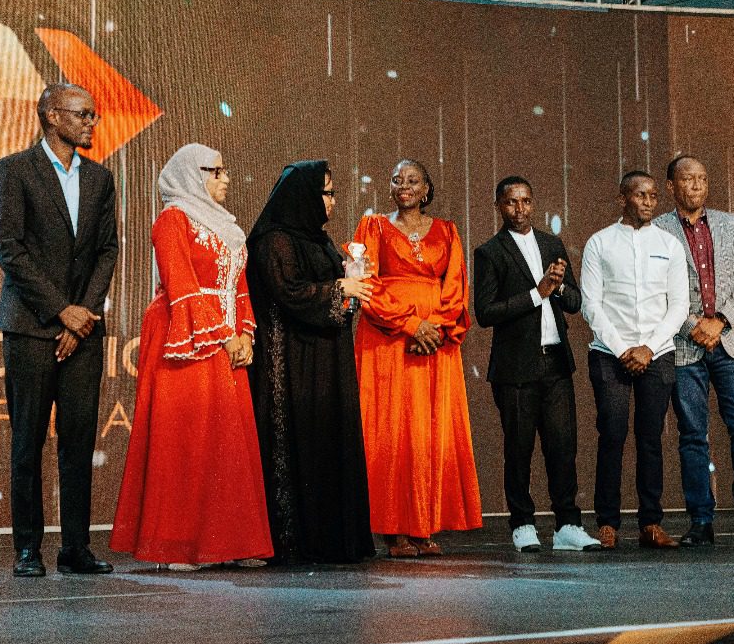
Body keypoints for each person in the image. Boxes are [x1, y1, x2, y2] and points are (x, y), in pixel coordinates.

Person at [111, 144, 273, 570]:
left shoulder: (226, 226)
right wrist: (224, 336)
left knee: (227, 439)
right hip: (184, 335)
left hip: (225, 336)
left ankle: (231, 542)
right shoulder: (172, 219)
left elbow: (237, 285)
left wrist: (244, 333)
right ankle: (179, 544)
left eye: (224, 170)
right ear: (191, 175)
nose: (225, 178)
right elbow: (181, 284)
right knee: (187, 438)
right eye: (215, 171)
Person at [0, 83, 118, 577]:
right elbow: (10, 249)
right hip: (30, 326)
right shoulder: (13, 170)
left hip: (83, 331)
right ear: (51, 116)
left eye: (93, 114)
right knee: (27, 442)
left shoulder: (100, 178)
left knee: (78, 442)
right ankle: (28, 549)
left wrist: (81, 315)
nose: (91, 122)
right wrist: (61, 311)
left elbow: (107, 250)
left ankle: (76, 548)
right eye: (82, 114)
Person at [247, 160, 376, 564]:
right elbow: (290, 291)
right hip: (292, 361)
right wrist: (340, 286)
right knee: (296, 444)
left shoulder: (318, 239)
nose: (332, 200)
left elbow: (331, 293)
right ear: (304, 196)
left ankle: (330, 539)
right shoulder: (274, 240)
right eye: (327, 192)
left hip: (325, 358)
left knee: (328, 442)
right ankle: (295, 541)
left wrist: (353, 281)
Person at [352, 159, 482, 558]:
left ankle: (423, 525)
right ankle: (393, 531)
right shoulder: (373, 227)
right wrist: (411, 325)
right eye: (397, 179)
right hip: (388, 340)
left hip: (434, 344)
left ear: (426, 189)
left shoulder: (447, 230)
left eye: (412, 180)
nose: (404, 185)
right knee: (391, 429)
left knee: (428, 431)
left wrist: (435, 329)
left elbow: (456, 286)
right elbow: (366, 283)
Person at [654, 155, 734, 546]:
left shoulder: (730, 223)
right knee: (693, 435)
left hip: (731, 341)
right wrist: (694, 326)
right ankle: (701, 521)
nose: (696, 185)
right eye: (687, 179)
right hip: (684, 344)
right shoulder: (657, 230)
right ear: (672, 186)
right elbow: (657, 291)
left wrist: (720, 320)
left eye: (702, 178)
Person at [474, 176, 600, 553]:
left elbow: (574, 302)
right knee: (519, 450)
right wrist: (536, 293)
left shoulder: (551, 244)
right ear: (499, 206)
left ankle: (567, 525)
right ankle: (523, 523)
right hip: (515, 368)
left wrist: (558, 288)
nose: (520, 209)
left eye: (526, 201)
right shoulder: (490, 252)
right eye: (511, 202)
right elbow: (485, 312)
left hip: (556, 362)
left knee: (563, 448)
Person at [580, 171, 689, 550]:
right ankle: (607, 523)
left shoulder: (669, 244)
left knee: (651, 437)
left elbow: (679, 306)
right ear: (622, 198)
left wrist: (648, 348)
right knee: (612, 434)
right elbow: (591, 304)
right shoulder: (599, 243)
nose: (648, 202)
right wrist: (622, 347)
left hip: (656, 353)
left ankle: (651, 523)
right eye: (640, 195)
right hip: (610, 353)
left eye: (653, 196)